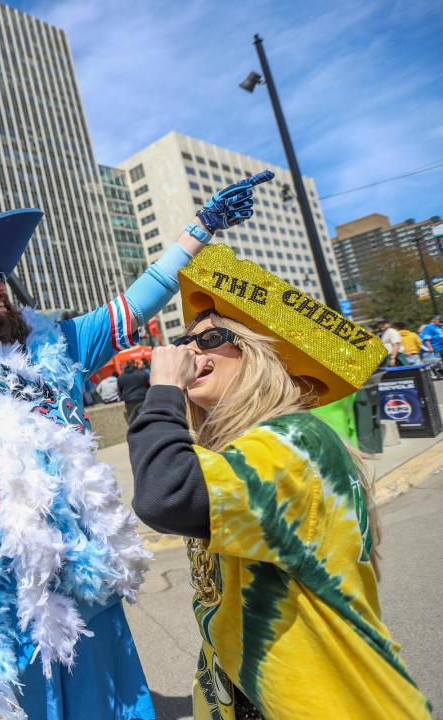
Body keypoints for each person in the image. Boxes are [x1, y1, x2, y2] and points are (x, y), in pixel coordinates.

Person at [0, 172, 275, 719]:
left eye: (2, 276)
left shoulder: (58, 348)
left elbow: (136, 302)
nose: (4, 288)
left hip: (86, 587)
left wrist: (199, 230)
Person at [127, 244, 431, 718]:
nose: (188, 349)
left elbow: (165, 494)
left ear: (258, 355)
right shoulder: (242, 452)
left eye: (209, 340)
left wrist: (163, 390)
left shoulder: (295, 440)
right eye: (185, 339)